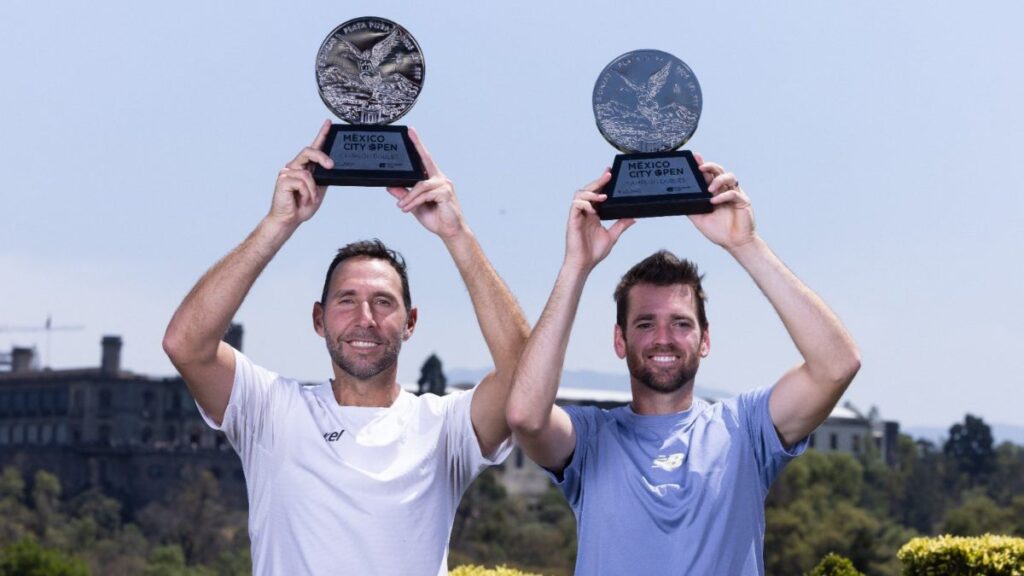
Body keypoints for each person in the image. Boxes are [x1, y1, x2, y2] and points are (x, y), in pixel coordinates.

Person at [163, 121, 529, 575]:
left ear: (411, 323)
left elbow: (524, 378)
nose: (365, 319)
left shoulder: (443, 427)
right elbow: (186, 344)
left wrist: (458, 235)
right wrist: (279, 223)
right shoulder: (272, 412)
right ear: (318, 319)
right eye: (346, 301)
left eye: (383, 302)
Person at [506, 157, 861, 575]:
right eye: (644, 323)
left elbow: (837, 365)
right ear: (620, 341)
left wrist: (746, 245)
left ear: (705, 339)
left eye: (680, 323)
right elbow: (526, 417)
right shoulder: (591, 440)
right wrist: (576, 266)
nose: (663, 338)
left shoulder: (745, 429)